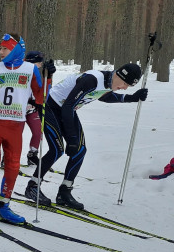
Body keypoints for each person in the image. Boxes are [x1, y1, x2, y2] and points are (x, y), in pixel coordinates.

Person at [25, 62, 147, 210]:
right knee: (57, 149)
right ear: (118, 75)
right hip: (51, 106)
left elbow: (103, 96)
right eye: (124, 84)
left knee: (80, 150)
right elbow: (68, 106)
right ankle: (33, 186)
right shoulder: (93, 79)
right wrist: (71, 139)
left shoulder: (109, 82)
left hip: (67, 110)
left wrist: (131, 98)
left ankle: (64, 192)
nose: (124, 87)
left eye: (128, 86)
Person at [0, 34, 44, 227]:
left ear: (17, 50)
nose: (1, 52)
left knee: (13, 167)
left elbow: (41, 98)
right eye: (0, 48)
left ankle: (3, 206)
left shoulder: (30, 69)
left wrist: (48, 78)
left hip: (15, 125)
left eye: (5, 48)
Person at [23, 51, 56, 165]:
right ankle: (6, 158)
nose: (41, 65)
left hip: (32, 109)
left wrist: (49, 76)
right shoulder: (23, 70)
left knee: (38, 132)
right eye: (39, 62)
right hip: (19, 109)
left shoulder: (37, 73)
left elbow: (43, 94)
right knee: (15, 135)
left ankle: (32, 155)